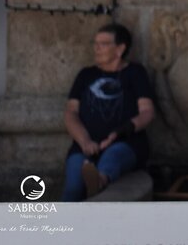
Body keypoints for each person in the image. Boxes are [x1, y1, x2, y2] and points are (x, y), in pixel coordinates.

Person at [62, 24, 155, 201]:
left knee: (112, 158)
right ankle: (62, 218)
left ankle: (99, 181)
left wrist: (121, 132)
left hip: (125, 142)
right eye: (95, 43)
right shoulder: (86, 75)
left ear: (120, 49)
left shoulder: (135, 73)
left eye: (103, 44)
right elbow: (70, 113)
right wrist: (85, 141)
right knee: (73, 186)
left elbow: (147, 111)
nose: (96, 48)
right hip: (85, 146)